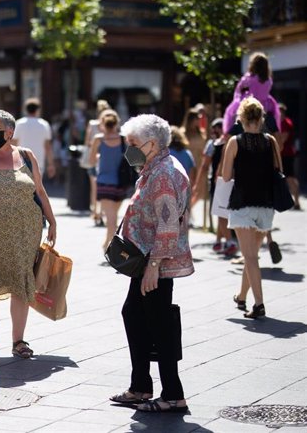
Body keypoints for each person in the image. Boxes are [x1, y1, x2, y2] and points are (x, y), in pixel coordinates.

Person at [109, 114, 193, 414]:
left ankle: (172, 394)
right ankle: (141, 386)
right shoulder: (153, 168)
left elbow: (168, 223)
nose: (128, 148)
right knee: (135, 314)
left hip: (155, 260)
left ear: (152, 143)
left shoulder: (163, 173)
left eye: (133, 143)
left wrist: (155, 266)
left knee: (158, 324)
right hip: (146, 258)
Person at [0, 109, 57, 359]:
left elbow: (40, 190)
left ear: (10, 131)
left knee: (20, 283)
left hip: (26, 231)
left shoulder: (26, 156)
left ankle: (19, 341)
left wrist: (52, 221)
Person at [222, 97, 281, 319]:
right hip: (266, 206)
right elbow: (279, 172)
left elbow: (226, 176)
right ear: (261, 118)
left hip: (243, 203)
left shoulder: (235, 142)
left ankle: (259, 305)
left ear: (242, 118)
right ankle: (241, 296)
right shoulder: (271, 142)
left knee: (250, 258)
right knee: (252, 257)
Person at [193, 118, 236, 256]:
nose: (214, 130)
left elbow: (205, 165)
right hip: (229, 181)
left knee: (220, 212)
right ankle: (218, 241)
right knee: (221, 211)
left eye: (217, 127)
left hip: (219, 182)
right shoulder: (232, 142)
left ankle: (229, 242)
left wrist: (197, 183)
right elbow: (205, 165)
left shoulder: (214, 144)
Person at [88, 109, 127, 252]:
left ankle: (111, 248)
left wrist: (100, 158)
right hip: (121, 183)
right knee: (113, 216)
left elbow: (91, 161)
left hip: (105, 182)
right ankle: (107, 243)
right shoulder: (124, 139)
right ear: (117, 123)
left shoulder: (99, 139)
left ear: (102, 124)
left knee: (111, 220)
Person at [223, 52, 281, 136]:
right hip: (265, 106)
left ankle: (228, 135)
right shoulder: (268, 80)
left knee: (231, 116)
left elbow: (238, 91)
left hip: (249, 105)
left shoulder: (248, 78)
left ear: (253, 64)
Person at [12, 98, 55, 178]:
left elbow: (13, 143)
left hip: (22, 160)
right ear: (38, 110)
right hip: (38, 161)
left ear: (26, 110)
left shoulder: (19, 124)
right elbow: (48, 146)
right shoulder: (44, 124)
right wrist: (51, 164)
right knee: (36, 187)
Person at [84, 99, 111, 227]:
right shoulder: (111, 126)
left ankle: (96, 212)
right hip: (104, 158)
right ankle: (99, 213)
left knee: (94, 188)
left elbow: (87, 142)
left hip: (94, 158)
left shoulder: (93, 124)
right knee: (103, 187)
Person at [181, 108, 207, 218]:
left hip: (200, 164)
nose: (198, 121)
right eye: (197, 119)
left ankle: (188, 209)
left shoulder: (201, 133)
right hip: (187, 164)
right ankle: (186, 211)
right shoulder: (183, 133)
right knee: (187, 190)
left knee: (200, 192)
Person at [279, 103, 300, 210]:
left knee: (290, 179)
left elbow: (283, 139)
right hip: (282, 154)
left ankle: (296, 202)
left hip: (286, 154)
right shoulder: (279, 122)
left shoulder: (286, 123)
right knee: (286, 179)